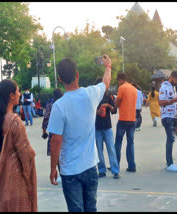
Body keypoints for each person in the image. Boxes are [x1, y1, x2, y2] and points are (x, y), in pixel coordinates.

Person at [47, 55, 111, 212]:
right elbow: (106, 82)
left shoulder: (59, 106)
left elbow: (55, 141)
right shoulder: (90, 94)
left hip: (70, 170)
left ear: (60, 79)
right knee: (91, 208)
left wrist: (53, 168)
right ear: (77, 75)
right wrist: (108, 66)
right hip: (90, 166)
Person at [0, 79, 37, 212]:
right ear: (11, 95)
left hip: (0, 180)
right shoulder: (15, 122)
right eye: (18, 91)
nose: (20, 94)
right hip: (16, 183)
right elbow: (26, 156)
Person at [95, 78, 119, 179]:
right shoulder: (94, 97)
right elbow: (89, 110)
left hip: (107, 127)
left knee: (111, 149)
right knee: (99, 151)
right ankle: (101, 170)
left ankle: (115, 170)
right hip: (97, 127)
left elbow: (114, 110)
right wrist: (97, 111)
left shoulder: (108, 96)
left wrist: (108, 106)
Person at [159, 71, 177, 172]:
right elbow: (160, 102)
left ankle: (169, 162)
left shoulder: (172, 87)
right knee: (171, 138)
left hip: (172, 116)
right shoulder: (164, 87)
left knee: (171, 139)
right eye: (176, 80)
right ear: (171, 77)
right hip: (167, 117)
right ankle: (169, 163)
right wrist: (173, 100)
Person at [114, 72, 137, 173]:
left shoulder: (122, 88)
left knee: (118, 142)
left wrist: (115, 103)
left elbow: (117, 103)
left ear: (120, 80)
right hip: (132, 119)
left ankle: (116, 165)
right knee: (130, 142)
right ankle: (131, 165)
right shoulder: (134, 89)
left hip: (123, 119)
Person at [42, 88, 64, 183]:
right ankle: (65, 173)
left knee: (56, 153)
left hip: (54, 132)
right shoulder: (65, 104)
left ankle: (59, 173)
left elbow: (46, 118)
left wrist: (44, 131)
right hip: (65, 133)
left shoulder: (51, 106)